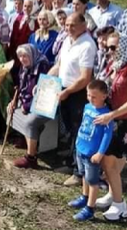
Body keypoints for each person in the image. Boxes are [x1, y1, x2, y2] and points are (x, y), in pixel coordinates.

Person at [93, 32, 127, 221]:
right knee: (111, 164)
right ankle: (112, 195)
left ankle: (119, 204)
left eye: (113, 47)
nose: (109, 51)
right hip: (111, 120)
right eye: (107, 47)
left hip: (121, 122)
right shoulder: (114, 66)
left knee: (110, 164)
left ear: (123, 46)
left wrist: (112, 115)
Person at [49, 13, 97, 187]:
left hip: (77, 94)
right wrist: (45, 81)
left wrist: (68, 91)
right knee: (69, 130)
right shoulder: (67, 41)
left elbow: (85, 77)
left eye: (73, 25)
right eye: (67, 25)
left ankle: (79, 173)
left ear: (84, 25)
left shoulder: (87, 45)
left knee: (79, 132)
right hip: (64, 90)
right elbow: (60, 66)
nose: (69, 28)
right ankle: (71, 164)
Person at [68, 80, 115, 222]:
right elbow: (83, 125)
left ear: (104, 96)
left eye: (94, 96)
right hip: (81, 148)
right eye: (88, 95)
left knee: (93, 181)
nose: (90, 99)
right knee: (84, 175)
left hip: (92, 154)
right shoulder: (87, 107)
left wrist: (100, 153)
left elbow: (107, 135)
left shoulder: (106, 115)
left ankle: (90, 208)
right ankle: (84, 196)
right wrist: (77, 142)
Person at [9, 44, 53, 169]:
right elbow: (20, 87)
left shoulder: (42, 66)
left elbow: (43, 92)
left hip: (44, 103)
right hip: (28, 100)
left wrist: (27, 106)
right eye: (20, 56)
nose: (23, 59)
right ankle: (27, 139)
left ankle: (31, 157)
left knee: (30, 122)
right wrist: (14, 101)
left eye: (25, 56)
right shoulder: (24, 67)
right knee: (11, 111)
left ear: (32, 54)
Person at [8, 0, 37, 65]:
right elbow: (13, 35)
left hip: (28, 54)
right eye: (25, 6)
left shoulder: (36, 21)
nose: (26, 8)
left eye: (29, 6)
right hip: (16, 52)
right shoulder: (19, 18)